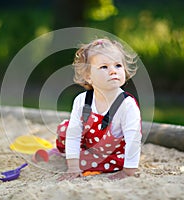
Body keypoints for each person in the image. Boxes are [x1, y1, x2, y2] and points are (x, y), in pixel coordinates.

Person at [56, 38, 142, 180]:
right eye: (104, 67)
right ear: (88, 77)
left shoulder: (126, 105)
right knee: (65, 129)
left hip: (113, 154)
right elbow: (74, 134)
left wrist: (128, 171)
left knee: (103, 161)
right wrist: (72, 167)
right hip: (90, 146)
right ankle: (69, 155)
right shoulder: (82, 100)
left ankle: (89, 160)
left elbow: (133, 139)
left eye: (118, 66)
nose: (113, 71)